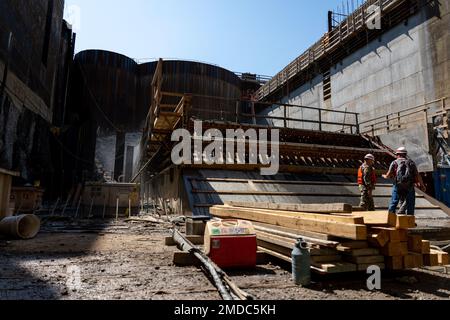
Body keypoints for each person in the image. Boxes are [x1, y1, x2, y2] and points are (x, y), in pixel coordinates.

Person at [382, 147, 426, 215]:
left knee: (394, 202)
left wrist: (384, 176)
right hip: (409, 185)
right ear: (405, 154)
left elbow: (388, 175)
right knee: (410, 202)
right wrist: (422, 185)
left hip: (397, 185)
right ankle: (409, 220)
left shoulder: (394, 162)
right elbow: (417, 175)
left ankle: (390, 219)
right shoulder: (411, 162)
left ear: (398, 154)